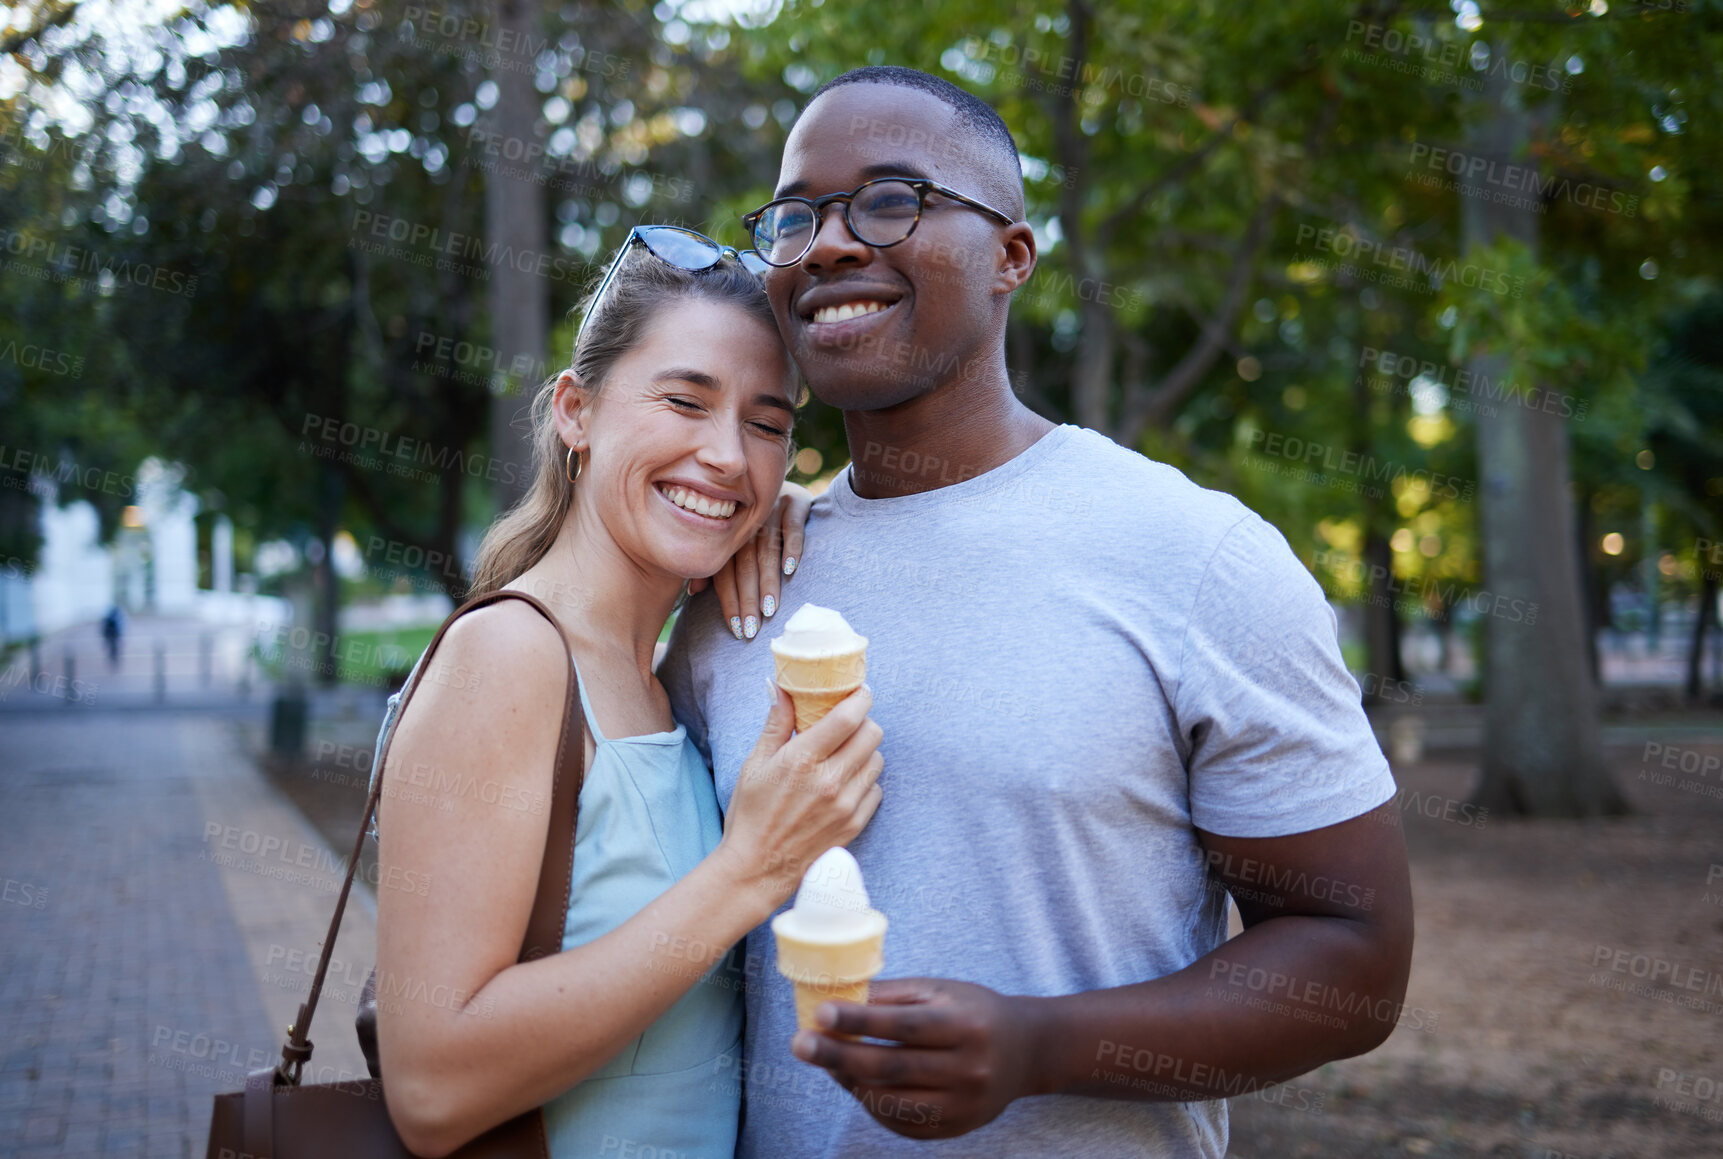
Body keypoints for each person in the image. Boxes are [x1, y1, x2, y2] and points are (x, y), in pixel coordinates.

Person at [659, 66, 1414, 1157]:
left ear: (1011, 256)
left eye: (888, 199)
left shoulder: (1195, 557)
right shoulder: (737, 575)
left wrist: (1036, 1044)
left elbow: (1355, 957)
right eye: (793, 216)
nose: (824, 244)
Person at [368, 229, 885, 1158]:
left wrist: (802, 525)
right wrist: (753, 870)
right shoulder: (509, 656)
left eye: (766, 424)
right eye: (685, 401)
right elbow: (431, 1085)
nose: (727, 455)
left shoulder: (659, 674)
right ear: (576, 410)